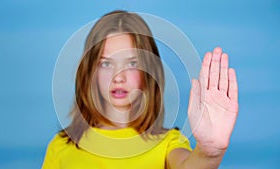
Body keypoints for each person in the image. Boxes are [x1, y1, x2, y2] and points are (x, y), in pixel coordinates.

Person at [42, 10, 238, 169]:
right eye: (106, 64)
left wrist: (209, 153)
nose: (118, 77)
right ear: (90, 71)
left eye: (131, 63)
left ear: (148, 72)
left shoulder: (169, 143)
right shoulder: (61, 146)